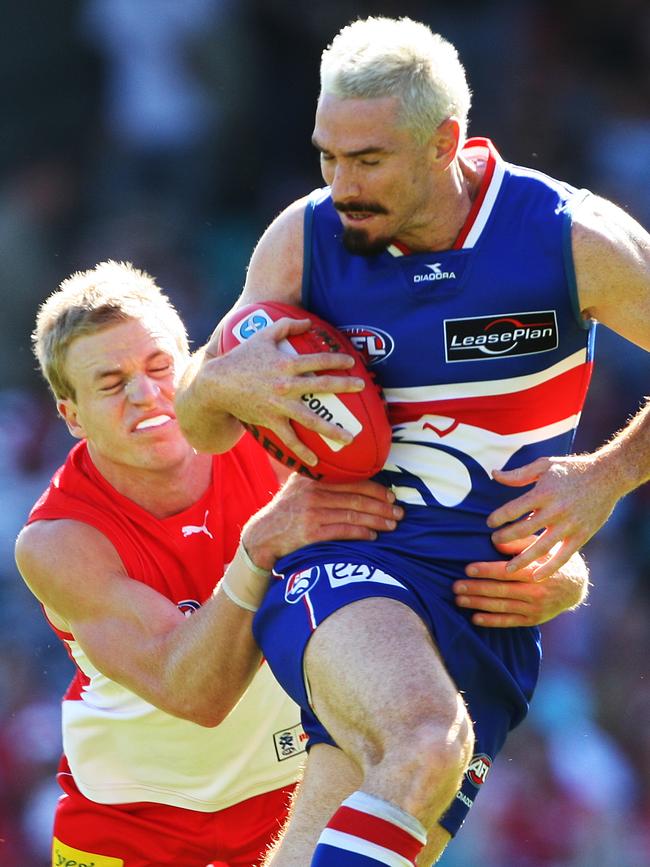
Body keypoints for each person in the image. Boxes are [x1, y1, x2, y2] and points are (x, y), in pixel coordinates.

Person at [174, 15, 650, 866]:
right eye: (327, 155)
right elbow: (198, 418)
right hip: (347, 564)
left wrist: (608, 474)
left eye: (368, 160)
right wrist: (217, 383)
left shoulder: (568, 238)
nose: (340, 184)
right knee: (427, 739)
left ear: (445, 143)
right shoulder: (306, 238)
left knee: (344, 833)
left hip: (490, 611)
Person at [13, 260, 410, 867]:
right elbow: (197, 693)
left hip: (297, 799)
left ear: (192, 362)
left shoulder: (275, 439)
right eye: (111, 383)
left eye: (158, 367)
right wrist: (258, 549)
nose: (145, 394)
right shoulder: (59, 540)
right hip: (129, 828)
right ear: (71, 416)